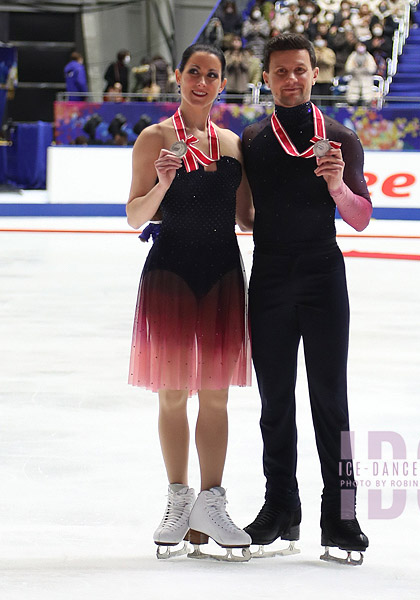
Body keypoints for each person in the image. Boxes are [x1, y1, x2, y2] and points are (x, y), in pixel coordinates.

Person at [242, 33, 371, 562]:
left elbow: (361, 218)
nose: (290, 79)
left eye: (299, 70)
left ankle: (341, 516)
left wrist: (338, 185)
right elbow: (245, 215)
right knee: (274, 402)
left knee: (330, 402)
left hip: (322, 276)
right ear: (266, 78)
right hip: (269, 275)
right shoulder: (251, 139)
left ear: (315, 72)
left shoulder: (340, 137)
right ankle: (280, 508)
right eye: (280, 72)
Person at [126, 43, 254, 560]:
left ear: (223, 84)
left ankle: (211, 499)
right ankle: (179, 496)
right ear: (178, 77)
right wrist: (161, 182)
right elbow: (135, 216)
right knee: (174, 393)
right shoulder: (154, 138)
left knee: (217, 395)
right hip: (171, 276)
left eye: (212, 75)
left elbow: (247, 218)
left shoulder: (233, 144)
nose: (202, 82)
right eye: (194, 72)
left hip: (223, 276)